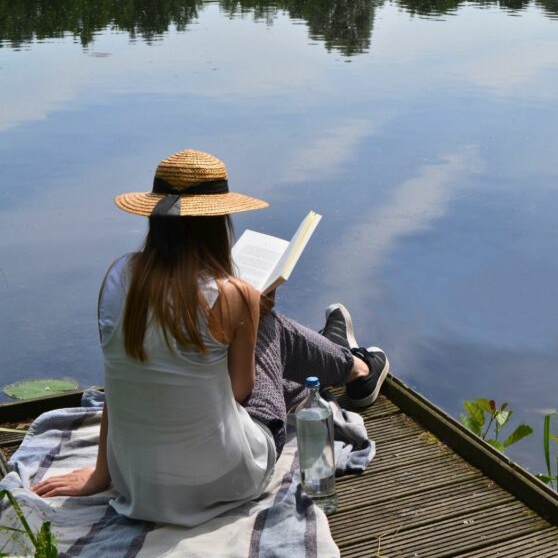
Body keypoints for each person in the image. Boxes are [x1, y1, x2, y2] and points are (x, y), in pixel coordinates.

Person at [30, 149, 389, 526]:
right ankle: (355, 367)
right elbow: (240, 392)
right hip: (227, 478)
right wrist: (252, 315)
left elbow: (117, 383)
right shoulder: (232, 294)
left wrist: (102, 476)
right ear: (218, 221)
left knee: (260, 332)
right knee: (271, 328)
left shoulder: (117, 278)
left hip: (138, 482)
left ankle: (339, 358)